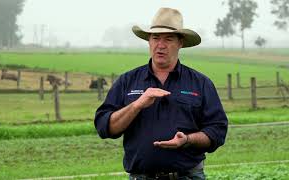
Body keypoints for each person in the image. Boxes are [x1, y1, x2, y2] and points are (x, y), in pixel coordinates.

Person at [94, 7, 228, 180]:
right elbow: (105, 128)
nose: (161, 45)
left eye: (168, 39)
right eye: (155, 38)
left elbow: (217, 131)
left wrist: (187, 139)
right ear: (149, 41)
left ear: (180, 43)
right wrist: (137, 105)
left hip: (188, 176)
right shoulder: (127, 81)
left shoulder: (200, 83)